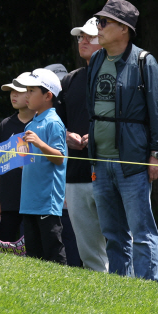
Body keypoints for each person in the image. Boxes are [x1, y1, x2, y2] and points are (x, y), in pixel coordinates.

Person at [86, 0, 158, 280]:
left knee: (142, 232)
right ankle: (119, 289)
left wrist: (157, 154)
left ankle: (147, 289)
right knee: (112, 233)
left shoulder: (144, 61)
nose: (98, 27)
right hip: (100, 162)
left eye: (104, 22)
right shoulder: (96, 59)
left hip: (133, 162)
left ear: (124, 28)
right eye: (98, 21)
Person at [59, 17, 108, 271]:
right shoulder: (69, 80)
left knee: (121, 244)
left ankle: (130, 292)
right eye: (81, 37)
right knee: (89, 253)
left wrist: (98, 135)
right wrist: (66, 135)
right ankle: (101, 293)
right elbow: (55, 124)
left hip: (111, 173)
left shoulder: (121, 77)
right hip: (76, 175)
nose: (83, 41)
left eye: (90, 36)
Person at [18, 69, 69, 263]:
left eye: (31, 91)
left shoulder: (54, 122)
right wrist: (0, 152)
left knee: (52, 251)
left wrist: (40, 143)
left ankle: (62, 281)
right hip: (29, 201)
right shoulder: (30, 125)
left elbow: (59, 158)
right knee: (33, 255)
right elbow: (26, 162)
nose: (26, 95)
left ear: (48, 96)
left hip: (46, 201)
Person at [0, 72, 33, 251]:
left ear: (31, 93)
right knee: (3, 250)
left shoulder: (41, 123)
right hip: (8, 199)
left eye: (19, 91)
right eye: (11, 91)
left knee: (32, 251)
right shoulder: (5, 124)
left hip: (34, 199)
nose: (13, 95)